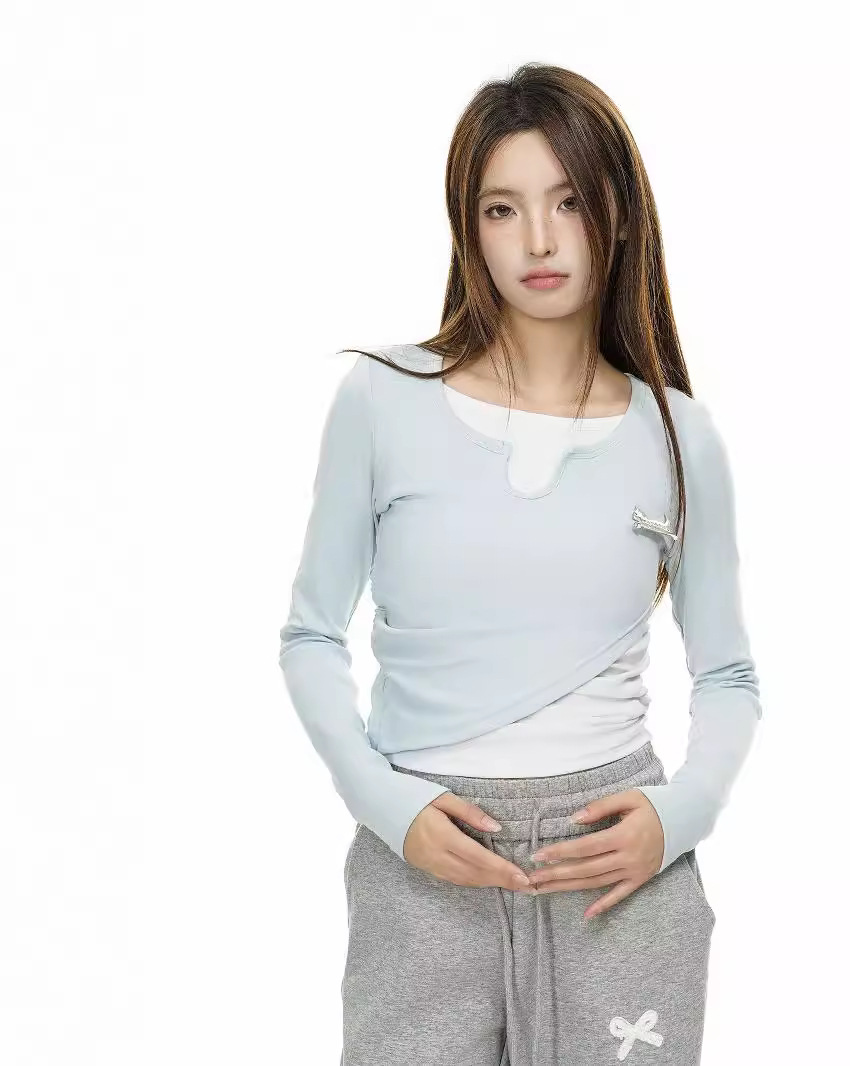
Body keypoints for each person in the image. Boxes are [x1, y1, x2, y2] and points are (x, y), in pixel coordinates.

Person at [278, 62, 762, 1066]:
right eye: (502, 208)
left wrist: (677, 816)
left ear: (618, 214)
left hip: (617, 868)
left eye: (568, 201)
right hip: (422, 855)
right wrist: (389, 807)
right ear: (469, 227)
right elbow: (311, 634)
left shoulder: (679, 434)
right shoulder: (382, 399)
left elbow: (726, 673)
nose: (538, 239)